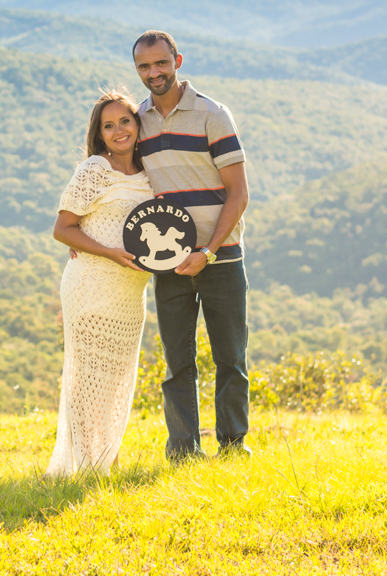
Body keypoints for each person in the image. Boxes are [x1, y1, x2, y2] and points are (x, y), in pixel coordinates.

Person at [132, 30, 251, 459]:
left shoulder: (212, 114)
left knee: (230, 358)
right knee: (177, 363)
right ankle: (183, 451)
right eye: (144, 66)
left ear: (177, 61)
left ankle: (234, 447)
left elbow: (239, 193)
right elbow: (118, 183)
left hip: (220, 258)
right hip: (168, 260)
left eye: (161, 63)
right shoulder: (136, 121)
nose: (153, 73)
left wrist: (209, 252)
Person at [46, 90, 154, 477]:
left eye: (125, 121)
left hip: (130, 293)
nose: (118, 130)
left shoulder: (149, 171)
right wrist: (107, 251)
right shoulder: (94, 169)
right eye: (108, 126)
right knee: (90, 377)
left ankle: (104, 457)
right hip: (91, 285)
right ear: (100, 134)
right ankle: (94, 465)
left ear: (138, 123)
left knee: (116, 377)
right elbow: (63, 228)